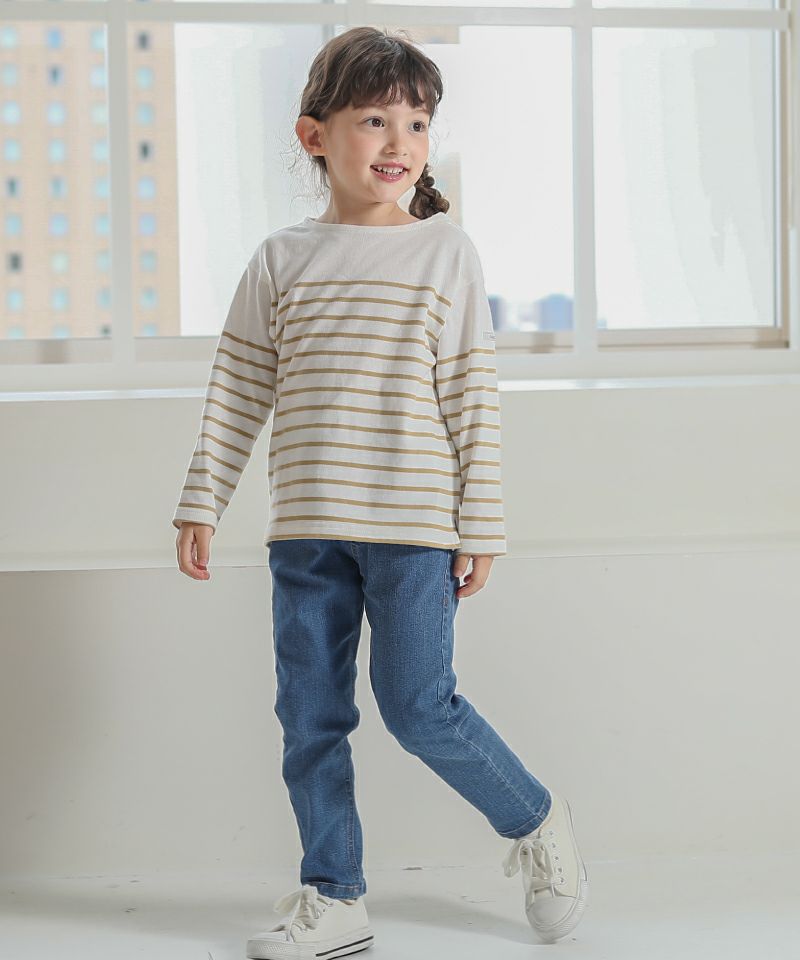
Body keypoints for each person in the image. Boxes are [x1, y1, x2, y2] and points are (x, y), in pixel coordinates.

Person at [173, 25, 588, 958]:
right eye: (374, 119)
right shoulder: (280, 258)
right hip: (305, 534)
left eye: (417, 122)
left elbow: (471, 397)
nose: (399, 142)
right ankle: (335, 896)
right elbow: (238, 388)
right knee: (309, 718)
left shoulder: (446, 253)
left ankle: (536, 819)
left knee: (418, 706)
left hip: (414, 532)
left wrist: (482, 524)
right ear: (314, 135)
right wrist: (203, 498)